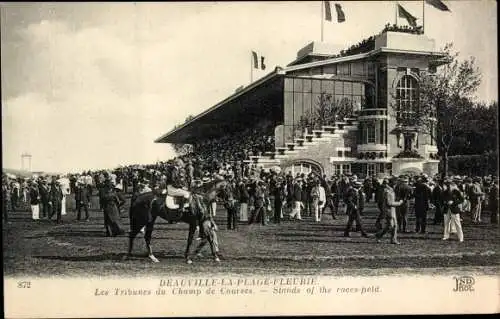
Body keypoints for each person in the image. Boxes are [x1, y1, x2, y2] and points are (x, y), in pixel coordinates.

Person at [375, 180, 403, 244]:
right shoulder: (388, 192)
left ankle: (379, 235)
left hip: (391, 210)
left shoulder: (390, 191)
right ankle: (393, 240)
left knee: (389, 226)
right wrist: (399, 203)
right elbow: (389, 203)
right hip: (389, 211)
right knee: (394, 225)